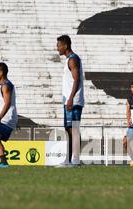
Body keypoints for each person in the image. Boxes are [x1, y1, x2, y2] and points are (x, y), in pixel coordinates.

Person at [56, 35, 85, 167]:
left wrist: (71, 98)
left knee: (74, 129)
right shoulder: (69, 59)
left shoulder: (73, 59)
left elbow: (77, 79)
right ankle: (69, 160)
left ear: (65, 46)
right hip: (69, 100)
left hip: (73, 101)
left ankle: (75, 160)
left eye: (59, 45)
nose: (57, 48)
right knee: (69, 129)